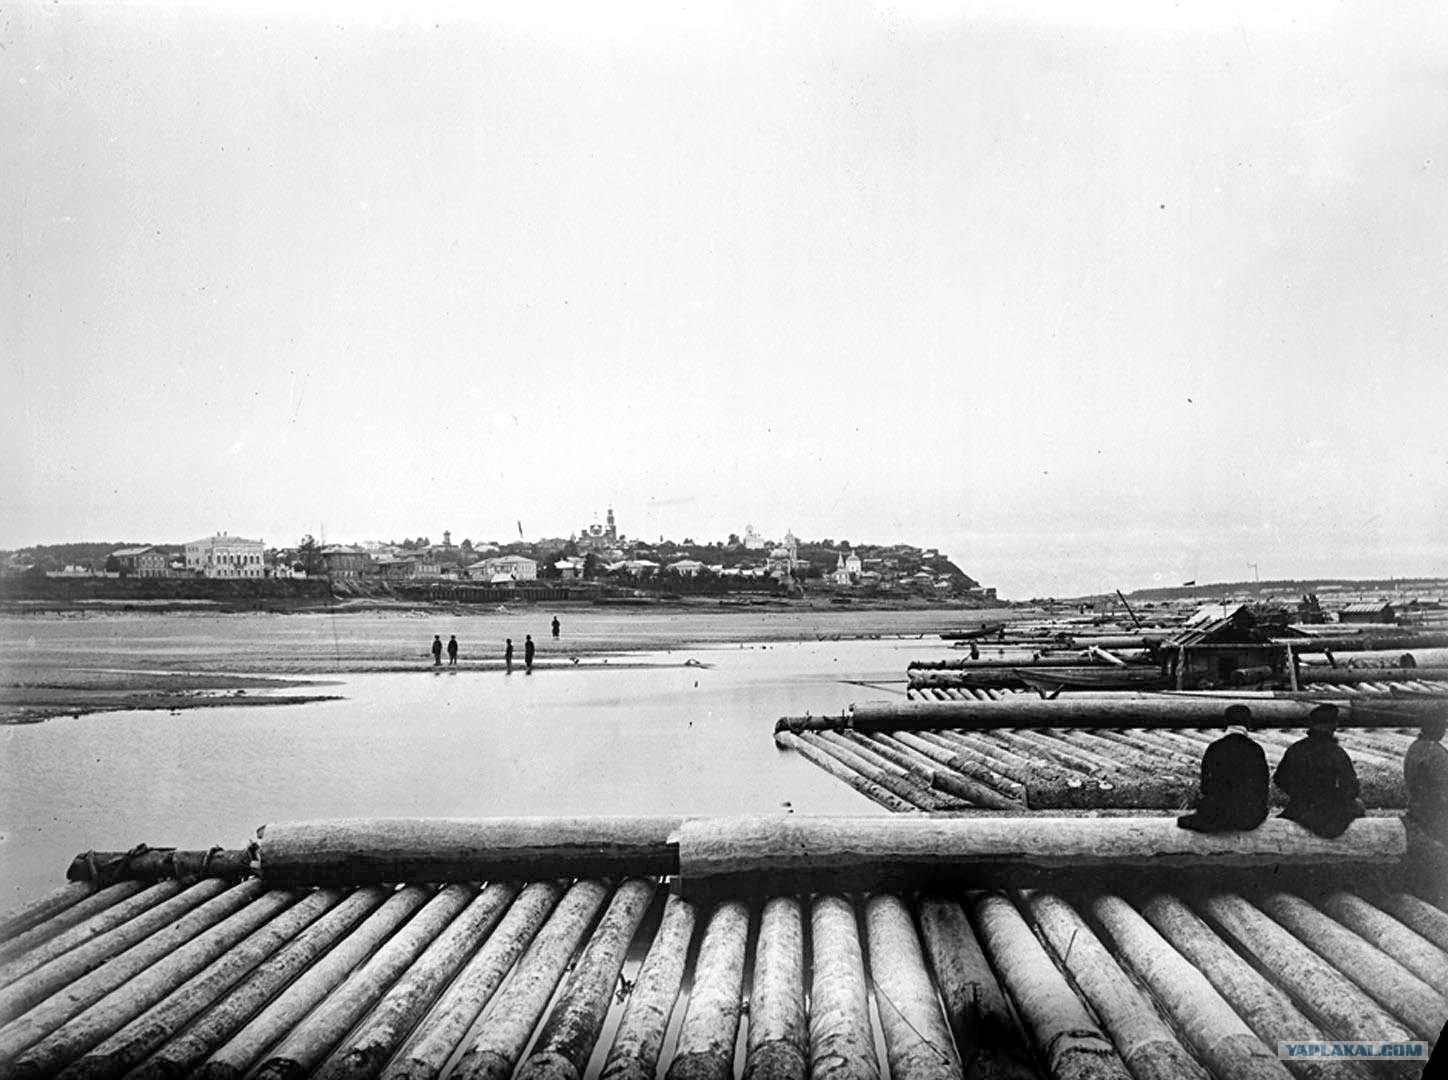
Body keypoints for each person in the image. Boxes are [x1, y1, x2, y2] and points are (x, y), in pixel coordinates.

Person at [1274, 704, 1366, 838]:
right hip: (1327, 811)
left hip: (1299, 808)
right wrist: (1335, 798)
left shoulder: (1296, 748)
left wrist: (1298, 793)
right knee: (1359, 805)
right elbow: (1351, 788)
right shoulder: (1336, 752)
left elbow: (1279, 778)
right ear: (1334, 726)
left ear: (1311, 725)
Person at [1177, 704, 1269, 832]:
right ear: (1248, 724)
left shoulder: (1214, 748)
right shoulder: (1256, 749)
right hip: (1249, 816)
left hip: (1217, 813)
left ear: (1225, 723)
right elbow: (1263, 785)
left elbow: (1205, 786)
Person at [1404, 715, 1448, 841]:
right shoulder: (1436, 752)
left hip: (1416, 809)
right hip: (1434, 813)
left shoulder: (1415, 747)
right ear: (1433, 727)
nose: (1444, 730)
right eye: (1442, 726)